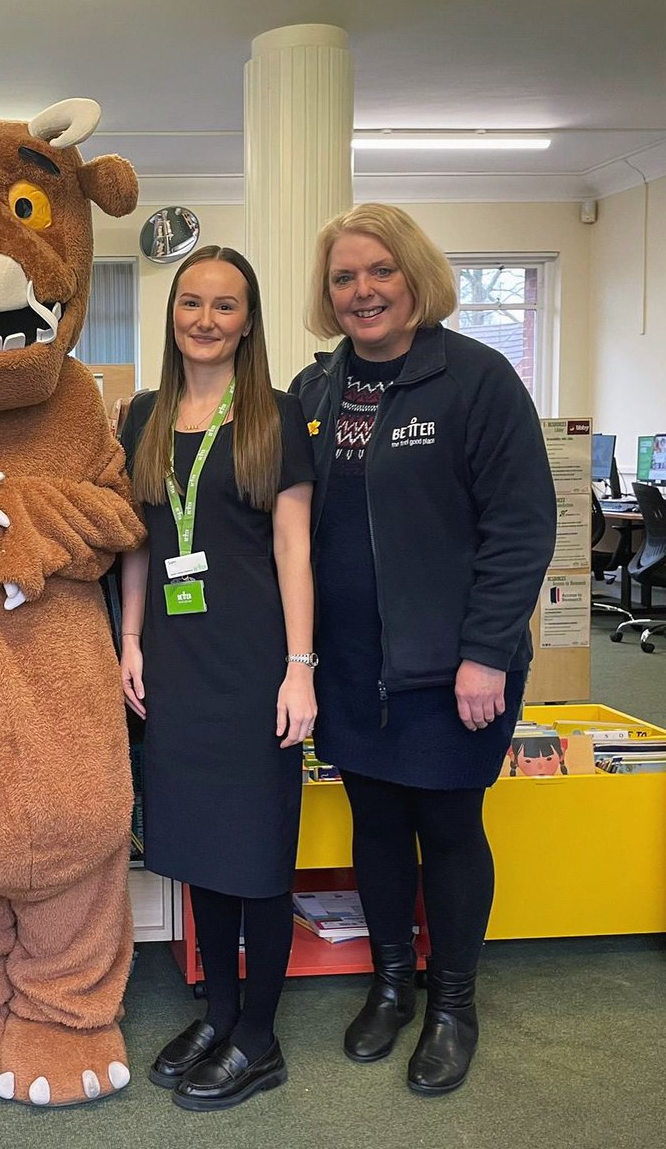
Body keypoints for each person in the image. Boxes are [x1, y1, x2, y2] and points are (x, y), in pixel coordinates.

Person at [290, 202, 556, 1095]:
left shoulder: (476, 379)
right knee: (376, 826)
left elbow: (521, 527)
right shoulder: (317, 389)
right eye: (343, 278)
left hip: (453, 668)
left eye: (378, 272)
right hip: (352, 663)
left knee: (446, 826)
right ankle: (392, 984)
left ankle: (453, 1003)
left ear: (414, 276)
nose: (362, 292)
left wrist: (485, 651)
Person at [119, 245, 317, 1111]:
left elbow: (295, 553)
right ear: (172, 315)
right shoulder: (142, 417)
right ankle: (221, 1012)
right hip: (173, 662)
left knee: (259, 854)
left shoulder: (275, 415)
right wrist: (128, 638)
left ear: (249, 320)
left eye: (225, 306)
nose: (205, 319)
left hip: (255, 666)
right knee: (200, 847)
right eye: (191, 303)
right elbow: (137, 543)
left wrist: (300, 669)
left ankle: (259, 1037)